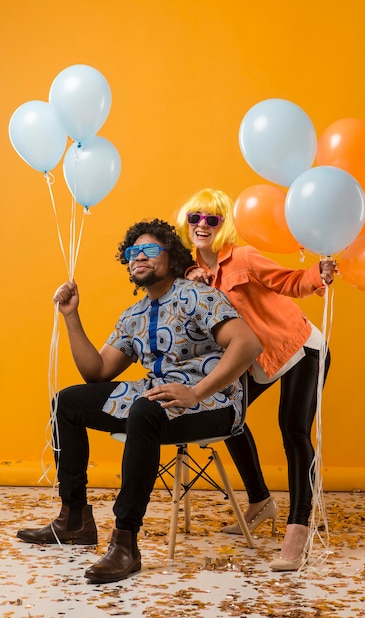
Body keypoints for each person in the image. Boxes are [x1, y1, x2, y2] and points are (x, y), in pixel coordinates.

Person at [17, 218, 262, 584]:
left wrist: (196, 392)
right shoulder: (132, 316)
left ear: (173, 257)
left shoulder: (198, 295)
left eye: (149, 249)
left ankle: (125, 542)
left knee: (145, 408)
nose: (139, 257)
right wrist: (71, 316)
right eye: (133, 252)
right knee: (67, 402)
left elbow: (247, 344)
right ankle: (74, 519)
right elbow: (97, 372)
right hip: (156, 398)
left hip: (215, 403)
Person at [175, 189, 336, 572]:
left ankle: (298, 527)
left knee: (293, 430)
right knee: (228, 419)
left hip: (299, 347)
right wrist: (196, 285)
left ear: (223, 224)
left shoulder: (242, 257)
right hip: (255, 361)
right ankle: (261, 500)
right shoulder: (190, 271)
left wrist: (319, 275)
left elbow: (288, 282)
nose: (202, 225)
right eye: (196, 217)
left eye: (212, 219)